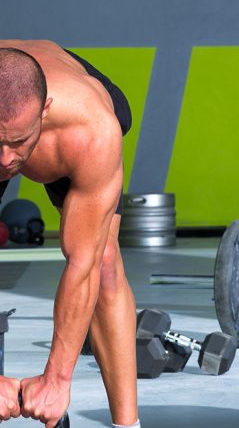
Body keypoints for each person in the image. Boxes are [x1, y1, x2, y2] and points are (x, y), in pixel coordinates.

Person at [0, 40, 139, 428]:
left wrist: (56, 381)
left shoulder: (90, 130)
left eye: (18, 142)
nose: (6, 158)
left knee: (103, 260)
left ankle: (128, 425)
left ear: (44, 112)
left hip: (73, 105)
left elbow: (83, 264)